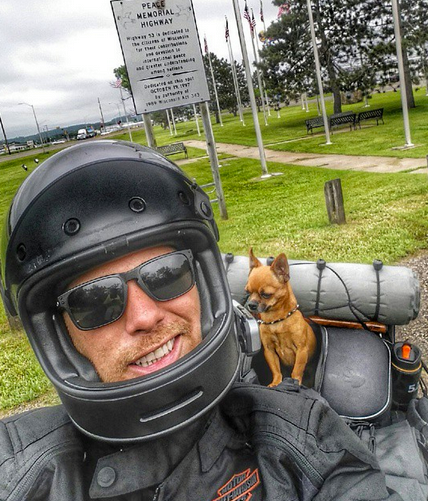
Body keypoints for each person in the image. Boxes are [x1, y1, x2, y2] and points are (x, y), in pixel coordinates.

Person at [0, 140, 402, 500]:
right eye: (96, 300)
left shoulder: (301, 434)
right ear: (59, 333)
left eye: (167, 274)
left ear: (203, 288)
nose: (145, 316)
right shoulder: (19, 473)